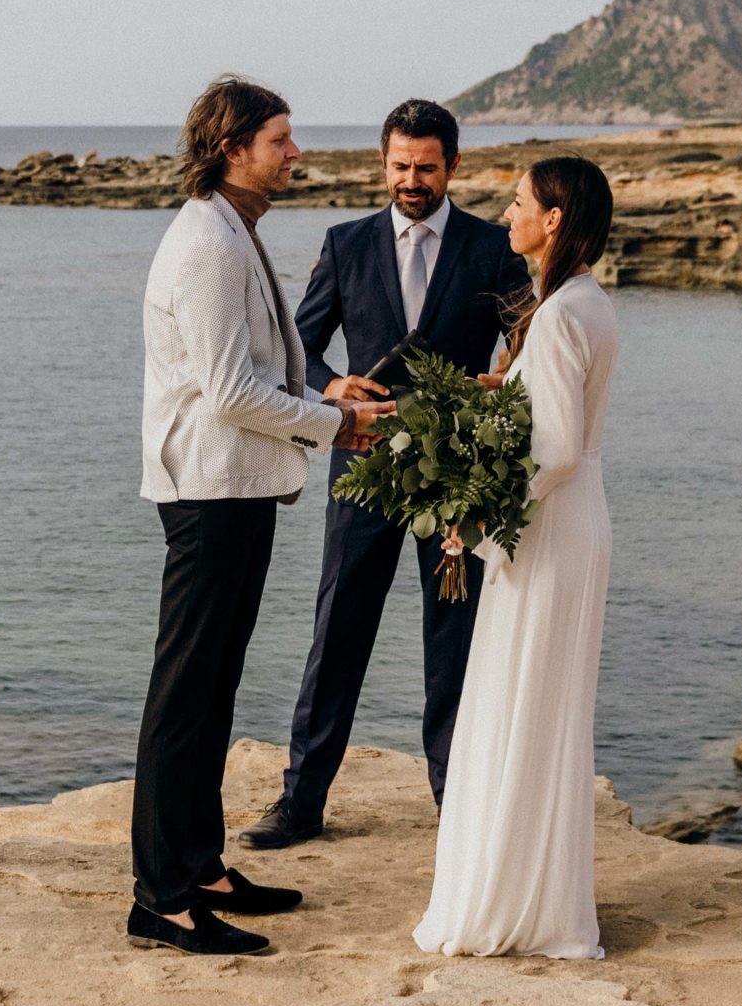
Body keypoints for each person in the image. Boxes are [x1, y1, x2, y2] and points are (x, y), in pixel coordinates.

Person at [129, 75, 395, 957]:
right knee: (184, 696)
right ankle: (161, 900)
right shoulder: (207, 243)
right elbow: (230, 389)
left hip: (236, 487)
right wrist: (339, 422)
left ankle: (200, 868)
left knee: (212, 688)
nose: (296, 154)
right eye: (282, 140)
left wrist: (323, 387)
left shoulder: (231, 231)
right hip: (206, 491)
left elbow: (257, 367)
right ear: (234, 146)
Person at [239, 100, 534, 851]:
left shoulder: (493, 247)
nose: (412, 180)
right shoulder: (345, 245)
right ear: (384, 164)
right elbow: (295, 353)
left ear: (454, 167)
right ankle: (301, 803)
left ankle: (455, 803)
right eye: (400, 166)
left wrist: (501, 385)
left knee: (454, 639)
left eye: (426, 168)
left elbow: (533, 349)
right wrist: (332, 386)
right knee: (337, 632)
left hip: (456, 478)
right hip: (362, 472)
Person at [413, 154, 618, 960]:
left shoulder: (562, 313)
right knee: (541, 710)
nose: (506, 213)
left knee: (520, 705)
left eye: (518, 201)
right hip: (578, 522)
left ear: (554, 219)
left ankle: (510, 905)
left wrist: (479, 511)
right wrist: (498, 395)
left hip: (553, 524)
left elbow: (558, 449)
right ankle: (538, 897)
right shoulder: (586, 302)